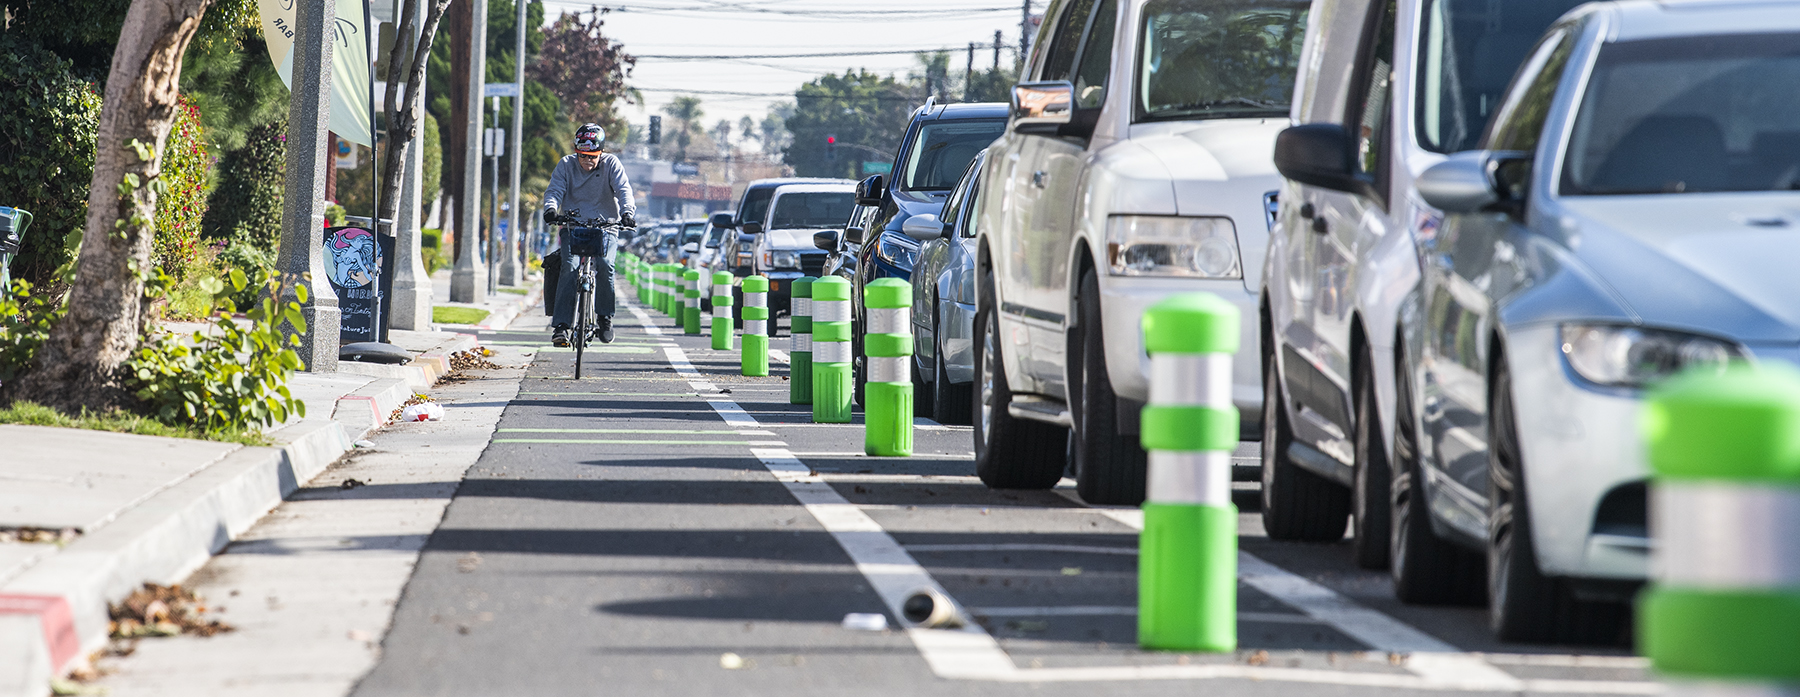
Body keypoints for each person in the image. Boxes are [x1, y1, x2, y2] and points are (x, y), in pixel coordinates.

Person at [542, 123, 636, 346]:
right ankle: (562, 326)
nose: (587, 161)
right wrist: (551, 210)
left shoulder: (611, 164)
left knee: (605, 265)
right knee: (570, 266)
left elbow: (624, 190)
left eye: (592, 156)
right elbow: (554, 190)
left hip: (606, 227)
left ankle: (604, 317)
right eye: (583, 155)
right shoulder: (566, 165)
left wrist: (627, 213)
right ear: (577, 152)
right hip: (573, 226)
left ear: (601, 152)